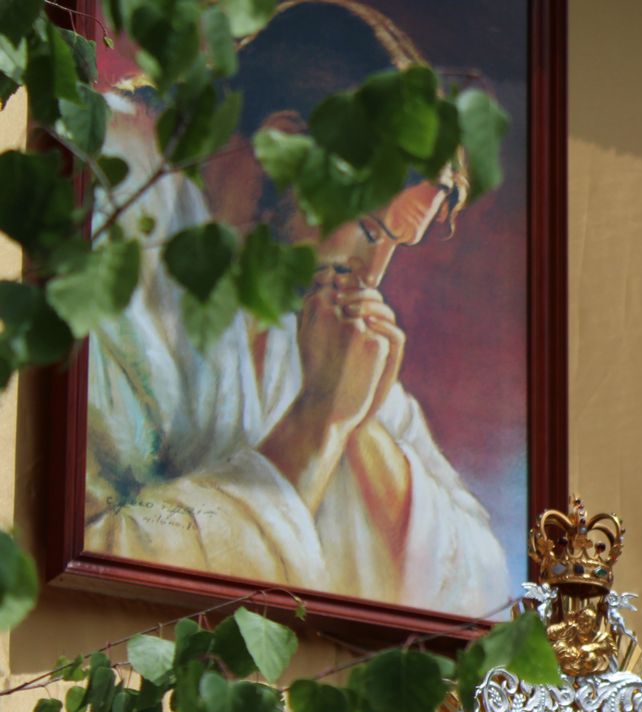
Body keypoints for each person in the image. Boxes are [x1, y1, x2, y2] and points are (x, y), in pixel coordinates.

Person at [84, 0, 508, 614]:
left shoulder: (299, 287)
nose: (373, 276)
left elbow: (478, 587)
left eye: (395, 244)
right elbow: (94, 558)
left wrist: (355, 427)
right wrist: (314, 427)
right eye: (369, 229)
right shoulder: (104, 209)